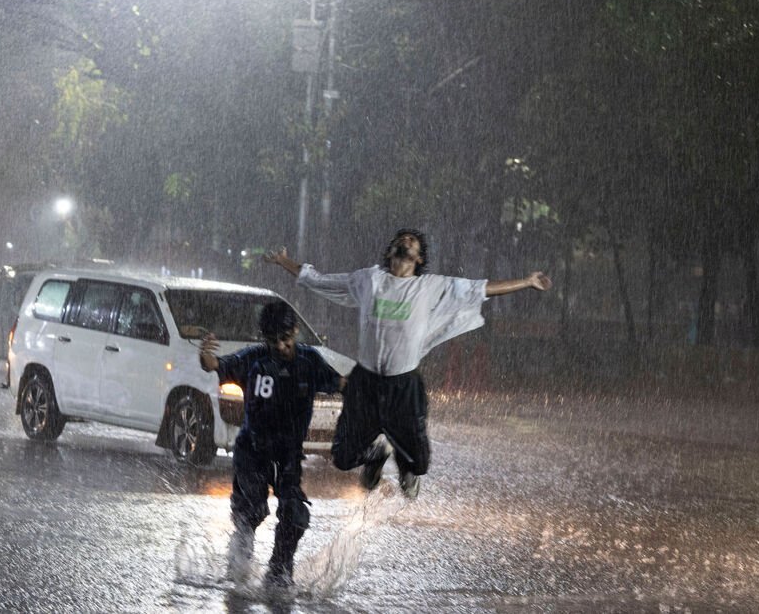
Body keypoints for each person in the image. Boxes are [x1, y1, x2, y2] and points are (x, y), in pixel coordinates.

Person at [265, 228, 552, 500]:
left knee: (421, 464)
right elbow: (320, 280)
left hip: (404, 386)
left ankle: (404, 462)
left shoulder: (430, 286)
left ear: (420, 258)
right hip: (364, 382)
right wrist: (283, 262)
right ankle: (376, 454)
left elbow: (482, 289)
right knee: (342, 458)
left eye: (412, 242)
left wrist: (527, 282)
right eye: (401, 240)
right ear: (390, 252)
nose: (406, 242)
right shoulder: (369, 280)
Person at [199, 300, 345, 587]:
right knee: (252, 510)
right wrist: (206, 357)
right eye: (272, 340)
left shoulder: (309, 362)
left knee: (296, 514)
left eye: (285, 339)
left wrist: (374, 386)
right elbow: (217, 365)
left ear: (296, 331)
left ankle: (278, 571)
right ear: (263, 338)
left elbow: (341, 383)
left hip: (288, 455)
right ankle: (237, 568)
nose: (279, 346)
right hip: (252, 452)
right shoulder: (254, 359)